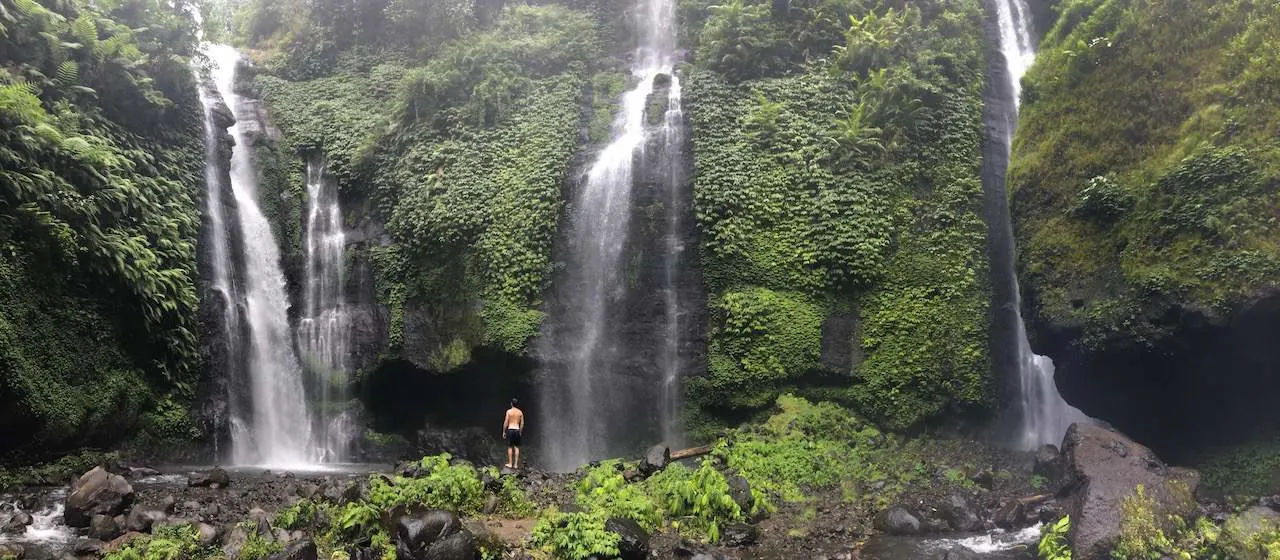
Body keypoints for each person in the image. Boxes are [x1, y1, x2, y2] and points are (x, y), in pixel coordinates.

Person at [502, 399, 524, 469]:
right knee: (516, 447)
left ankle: (510, 463)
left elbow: (506, 422)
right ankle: (515, 465)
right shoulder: (520, 412)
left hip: (510, 429)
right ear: (517, 404)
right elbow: (522, 423)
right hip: (517, 430)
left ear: (511, 404)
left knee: (510, 447)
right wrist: (520, 431)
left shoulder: (509, 411)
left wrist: (504, 431)